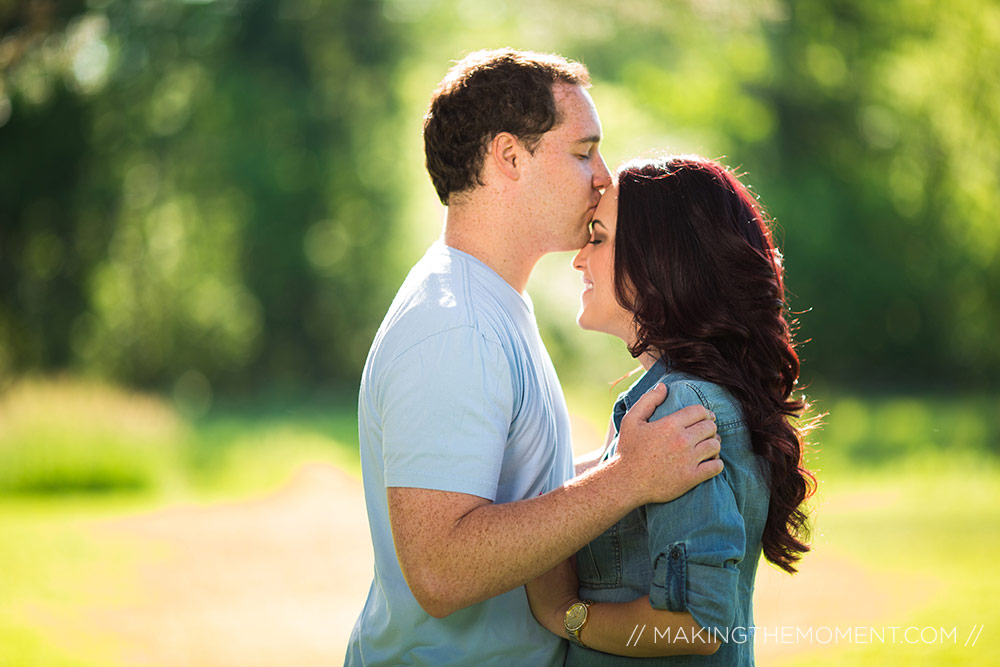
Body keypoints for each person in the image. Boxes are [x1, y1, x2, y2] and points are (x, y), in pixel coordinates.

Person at [345, 51, 725, 666]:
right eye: (582, 152)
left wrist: (629, 459)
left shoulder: (491, 302)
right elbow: (440, 569)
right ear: (509, 158)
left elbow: (510, 484)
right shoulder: (454, 325)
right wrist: (627, 478)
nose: (604, 177)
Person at [525, 156, 816, 665]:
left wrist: (565, 614)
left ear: (657, 259)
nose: (578, 259)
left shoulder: (681, 406)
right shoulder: (683, 399)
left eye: (598, 236)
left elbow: (695, 626)